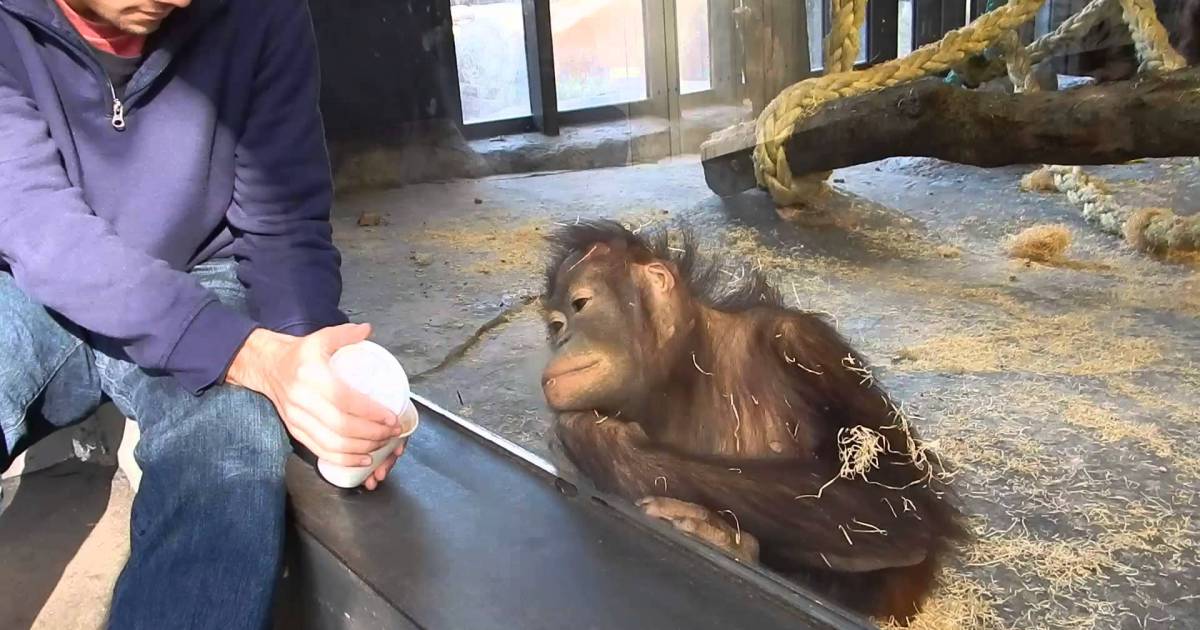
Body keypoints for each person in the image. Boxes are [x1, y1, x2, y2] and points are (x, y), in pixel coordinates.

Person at [0, 0, 415, 626]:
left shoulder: (264, 15)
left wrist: (313, 375)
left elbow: (281, 221)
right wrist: (245, 354)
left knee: (231, 450)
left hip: (199, 272)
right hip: (30, 278)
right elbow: (37, 227)